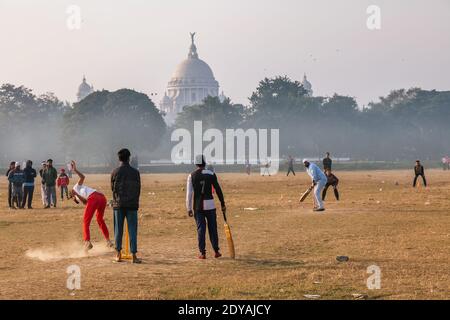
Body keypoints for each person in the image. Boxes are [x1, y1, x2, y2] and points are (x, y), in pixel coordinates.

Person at [186, 155, 225, 259]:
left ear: (196, 164)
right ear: (205, 163)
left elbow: (189, 194)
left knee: (201, 229)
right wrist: (222, 203)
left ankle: (202, 253)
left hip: (198, 207)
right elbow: (218, 189)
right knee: (213, 228)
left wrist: (188, 208)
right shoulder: (211, 174)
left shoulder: (191, 175)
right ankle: (216, 251)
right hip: (210, 205)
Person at [70, 160, 113, 251]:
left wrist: (75, 170)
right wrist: (76, 196)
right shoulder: (77, 196)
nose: (74, 199)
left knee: (86, 221)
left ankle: (87, 242)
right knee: (99, 219)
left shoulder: (76, 187)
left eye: (72, 197)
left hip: (94, 197)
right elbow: (86, 202)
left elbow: (82, 177)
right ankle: (108, 241)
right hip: (101, 198)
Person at [111, 149, 141, 263]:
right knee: (132, 230)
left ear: (119, 159)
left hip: (118, 205)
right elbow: (138, 189)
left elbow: (112, 189)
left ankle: (118, 254)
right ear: (129, 158)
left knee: (118, 230)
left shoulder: (114, 172)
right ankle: (134, 255)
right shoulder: (135, 172)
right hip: (132, 205)